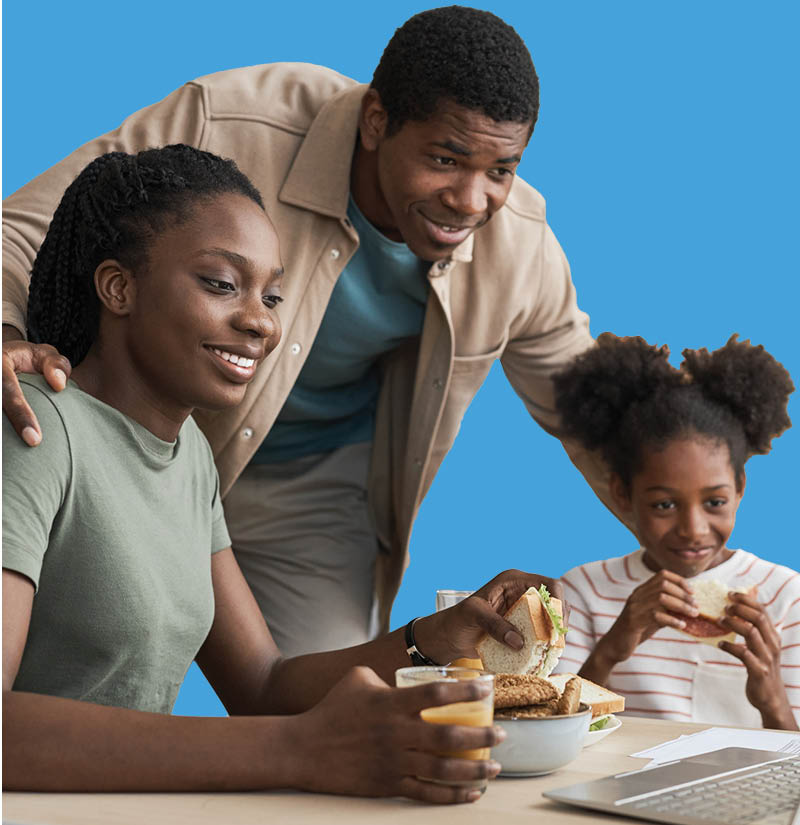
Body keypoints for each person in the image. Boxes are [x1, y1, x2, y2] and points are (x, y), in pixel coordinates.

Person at [2, 6, 621, 657]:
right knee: (70, 670)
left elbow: (595, 412)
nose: (471, 200)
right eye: (445, 158)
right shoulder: (232, 123)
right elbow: (25, 231)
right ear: (376, 121)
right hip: (140, 439)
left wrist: (688, 540)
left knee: (322, 713)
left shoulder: (518, 243)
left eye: (501, 170)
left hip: (310, 487)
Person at [2, 144, 561, 798]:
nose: (260, 322)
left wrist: (431, 639)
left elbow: (263, 686)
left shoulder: (190, 462)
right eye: (220, 283)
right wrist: (300, 749)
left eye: (271, 293)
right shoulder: (34, 428)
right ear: (118, 287)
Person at [550, 334, 799, 730]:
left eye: (714, 502)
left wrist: (771, 699)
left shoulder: (786, 596)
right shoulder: (582, 592)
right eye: (664, 505)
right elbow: (553, 732)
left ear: (739, 489)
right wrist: (611, 650)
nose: (693, 530)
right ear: (622, 493)